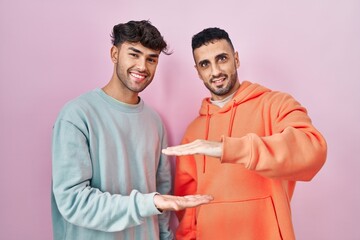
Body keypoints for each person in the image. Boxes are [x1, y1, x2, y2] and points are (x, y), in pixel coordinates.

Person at [51, 20, 213, 240]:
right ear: (114, 54)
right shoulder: (76, 116)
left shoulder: (154, 121)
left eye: (151, 59)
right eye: (134, 54)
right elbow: (73, 202)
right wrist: (148, 203)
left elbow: (163, 196)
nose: (142, 67)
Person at [162, 27, 327, 240]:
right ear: (198, 71)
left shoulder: (275, 105)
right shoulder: (194, 132)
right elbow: (189, 208)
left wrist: (227, 148)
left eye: (222, 58)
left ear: (236, 59)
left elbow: (312, 150)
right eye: (205, 64)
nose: (215, 71)